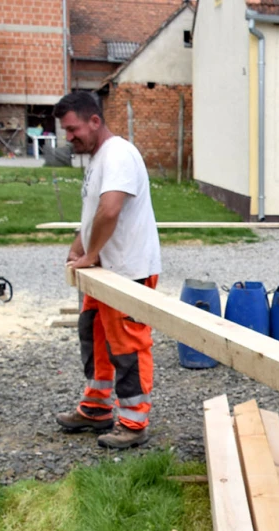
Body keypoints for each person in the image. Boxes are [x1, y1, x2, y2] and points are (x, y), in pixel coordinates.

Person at [53, 91, 161, 450]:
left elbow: (111, 209)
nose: (68, 137)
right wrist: (79, 246)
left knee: (127, 346)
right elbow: (95, 212)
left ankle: (134, 422)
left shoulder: (118, 155)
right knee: (94, 335)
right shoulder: (101, 158)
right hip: (105, 270)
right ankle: (97, 407)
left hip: (128, 270)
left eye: (72, 129)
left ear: (95, 121)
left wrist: (90, 253)